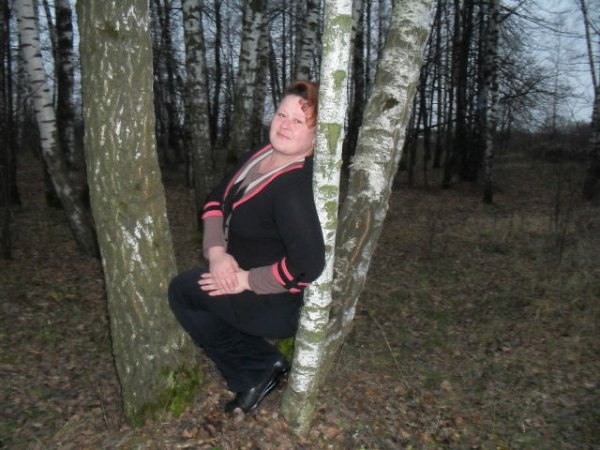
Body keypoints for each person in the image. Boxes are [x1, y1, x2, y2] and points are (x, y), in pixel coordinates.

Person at [168, 80, 325, 414]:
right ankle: (264, 363)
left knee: (183, 292)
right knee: (193, 289)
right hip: (240, 277)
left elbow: (308, 264)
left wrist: (245, 281)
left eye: (299, 121)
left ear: (315, 137)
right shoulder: (262, 153)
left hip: (274, 301)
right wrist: (216, 253)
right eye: (282, 114)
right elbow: (216, 199)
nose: (285, 124)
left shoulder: (294, 188)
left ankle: (256, 370)